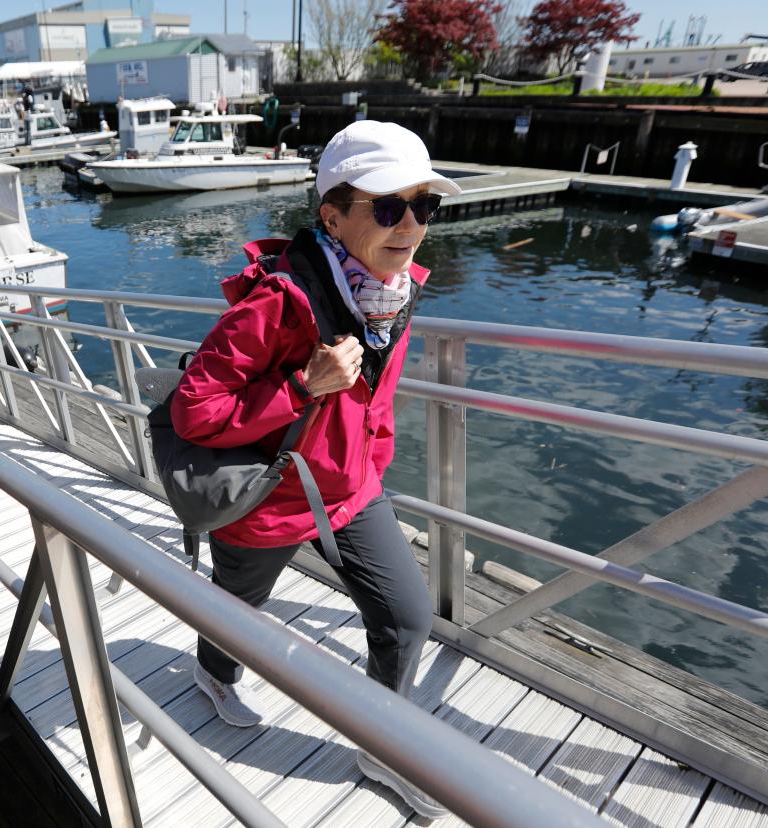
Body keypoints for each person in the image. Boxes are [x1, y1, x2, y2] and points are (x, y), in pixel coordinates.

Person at [169, 120, 461, 819]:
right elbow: (193, 410)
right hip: (267, 501)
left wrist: (370, 465)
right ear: (331, 215)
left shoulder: (394, 292)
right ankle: (214, 674)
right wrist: (301, 386)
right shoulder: (279, 301)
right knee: (238, 610)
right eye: (388, 208)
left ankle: (379, 745)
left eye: (425, 206)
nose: (411, 225)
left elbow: (381, 399)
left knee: (408, 616)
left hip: (353, 493)